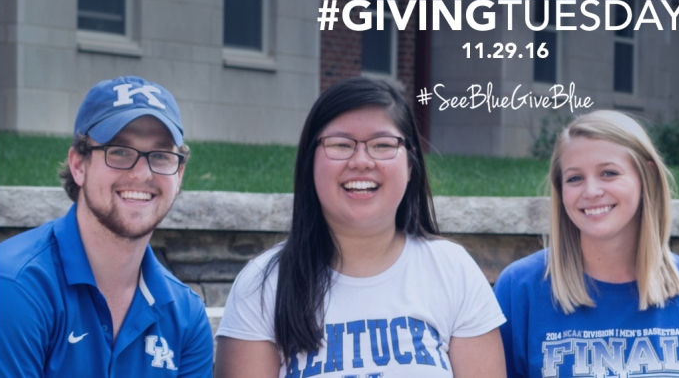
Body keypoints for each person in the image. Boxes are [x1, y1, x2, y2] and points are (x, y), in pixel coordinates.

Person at [214, 77, 507, 378]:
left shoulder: (452, 271)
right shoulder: (262, 286)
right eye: (341, 145)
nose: (362, 161)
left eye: (382, 145)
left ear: (409, 166)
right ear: (309, 163)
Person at [0, 76, 213, 377]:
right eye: (120, 151)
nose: (141, 174)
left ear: (179, 176)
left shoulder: (186, 316)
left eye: (161, 156)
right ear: (78, 165)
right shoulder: (14, 286)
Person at [494, 110, 679, 378]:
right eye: (574, 178)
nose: (591, 191)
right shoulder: (519, 289)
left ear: (648, 177)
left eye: (608, 173)